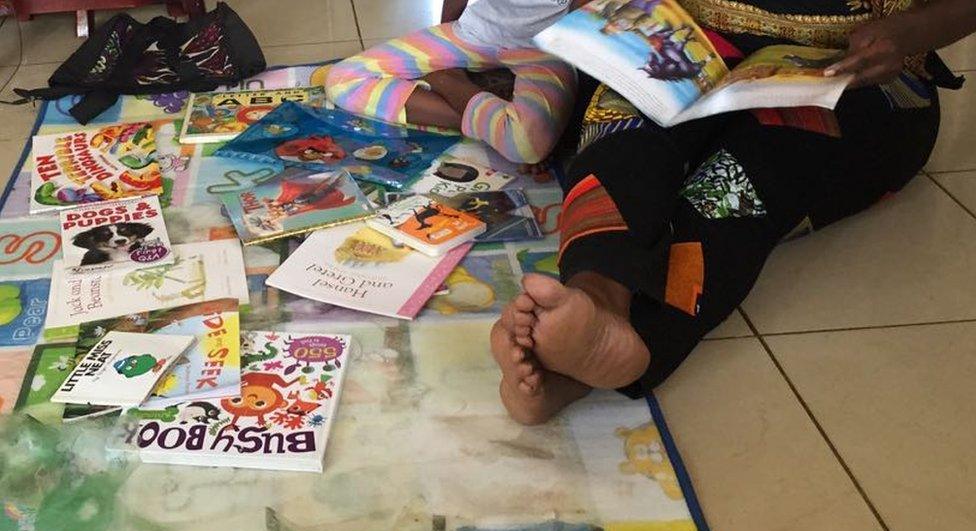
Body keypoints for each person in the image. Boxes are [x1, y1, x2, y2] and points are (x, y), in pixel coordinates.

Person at [491, 0, 975, 425]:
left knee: (737, 183)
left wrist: (910, 33)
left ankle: (594, 358)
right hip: (694, 41)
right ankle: (595, 292)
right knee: (621, 126)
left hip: (861, 78)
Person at [326, 0, 588, 168]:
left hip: (547, 48)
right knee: (342, 81)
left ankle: (461, 91)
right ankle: (490, 113)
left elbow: (587, 24)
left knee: (526, 147)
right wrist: (442, 49)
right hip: (472, 34)